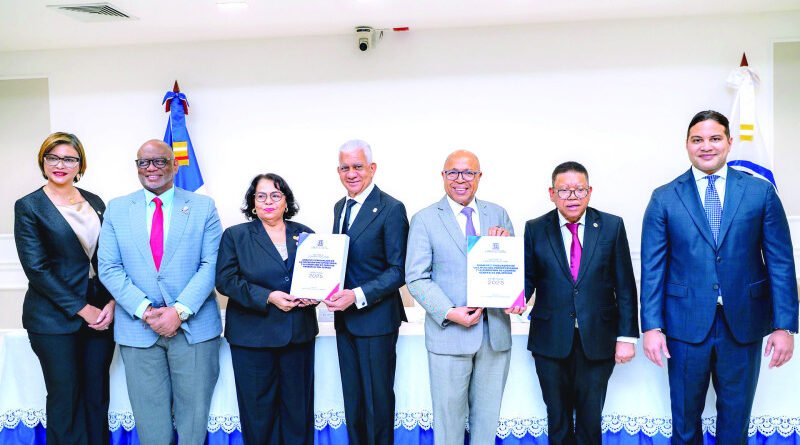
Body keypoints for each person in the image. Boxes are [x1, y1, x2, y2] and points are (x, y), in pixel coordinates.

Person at [640, 110, 798, 444]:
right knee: (684, 424)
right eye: (697, 140)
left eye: (715, 138)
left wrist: (784, 326)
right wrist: (651, 327)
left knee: (735, 424)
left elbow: (781, 262)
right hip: (684, 326)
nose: (706, 146)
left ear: (729, 142)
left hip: (743, 323)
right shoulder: (664, 197)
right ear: (687, 145)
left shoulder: (760, 192)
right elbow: (653, 268)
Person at [98, 139, 223, 445]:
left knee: (193, 423)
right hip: (138, 329)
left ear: (175, 165)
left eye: (160, 161)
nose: (151, 168)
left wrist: (178, 312)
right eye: (144, 162)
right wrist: (145, 310)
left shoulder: (203, 206)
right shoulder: (116, 209)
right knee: (151, 425)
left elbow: (211, 264)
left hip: (194, 329)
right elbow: (109, 267)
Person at [405, 149, 523, 445]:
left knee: (487, 423)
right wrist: (449, 311)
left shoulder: (498, 214)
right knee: (449, 425)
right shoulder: (425, 219)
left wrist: (504, 247)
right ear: (443, 176)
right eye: (453, 172)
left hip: (495, 335)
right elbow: (416, 277)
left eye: (469, 172)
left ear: (479, 176)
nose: (461, 179)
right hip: (449, 335)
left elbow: (513, 269)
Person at [524, 161, 639, 445]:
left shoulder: (611, 226)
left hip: (598, 339)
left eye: (579, 190)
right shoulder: (535, 228)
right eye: (564, 190)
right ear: (552, 193)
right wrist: (509, 298)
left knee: (590, 420)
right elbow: (527, 279)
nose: (572, 197)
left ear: (590, 192)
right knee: (558, 419)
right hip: (550, 340)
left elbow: (625, 285)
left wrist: (626, 337)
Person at [14, 132, 115, 445]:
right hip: (53, 319)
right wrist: (83, 310)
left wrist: (111, 302)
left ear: (80, 164)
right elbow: (37, 269)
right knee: (65, 398)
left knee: (97, 396)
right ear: (43, 161)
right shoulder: (29, 206)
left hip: (101, 315)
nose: (60, 165)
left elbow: (108, 259)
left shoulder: (95, 202)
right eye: (53, 158)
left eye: (69, 159)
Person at [216, 173, 318, 445]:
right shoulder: (235, 236)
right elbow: (226, 281)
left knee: (298, 413)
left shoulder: (305, 234)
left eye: (275, 195)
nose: (268, 201)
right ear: (253, 202)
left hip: (298, 335)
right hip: (253, 340)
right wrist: (268, 297)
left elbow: (319, 275)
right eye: (261, 196)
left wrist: (315, 295)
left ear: (286, 201)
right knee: (258, 416)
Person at [324, 139, 409, 445]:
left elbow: (398, 270)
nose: (351, 173)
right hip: (345, 322)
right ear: (338, 171)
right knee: (354, 402)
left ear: (372, 168)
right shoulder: (340, 207)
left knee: (377, 403)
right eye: (345, 167)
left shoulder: (391, 208)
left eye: (358, 166)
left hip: (376, 321)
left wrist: (356, 295)